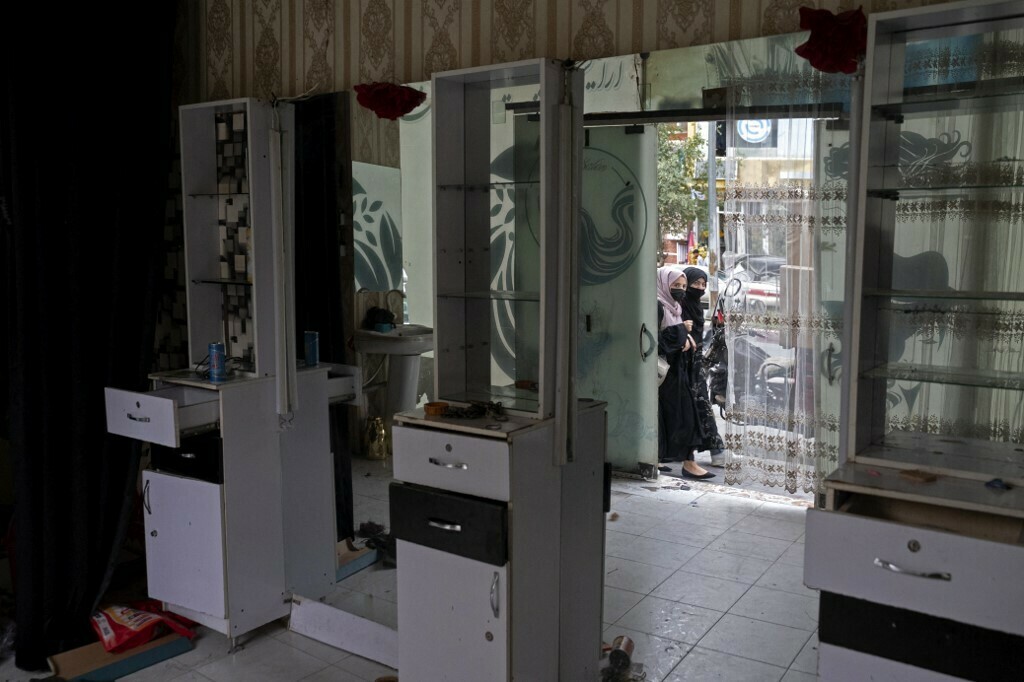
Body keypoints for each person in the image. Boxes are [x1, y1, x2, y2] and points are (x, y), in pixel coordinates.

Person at [657, 266, 715, 479]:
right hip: (666, 374)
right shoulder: (658, 306)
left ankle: (684, 462)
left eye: (682, 286)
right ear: (664, 284)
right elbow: (657, 341)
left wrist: (685, 334)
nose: (681, 290)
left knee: (681, 418)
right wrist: (682, 331)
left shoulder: (676, 308)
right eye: (676, 286)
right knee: (683, 418)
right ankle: (687, 464)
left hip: (679, 372)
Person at [680, 266, 727, 467]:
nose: (699, 288)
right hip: (680, 364)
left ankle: (715, 451)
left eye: (703, 284)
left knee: (701, 406)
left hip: (695, 364)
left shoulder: (697, 308)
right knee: (688, 408)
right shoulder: (678, 306)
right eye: (695, 284)